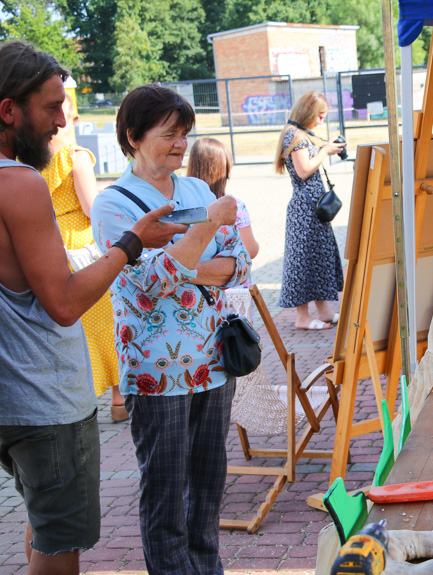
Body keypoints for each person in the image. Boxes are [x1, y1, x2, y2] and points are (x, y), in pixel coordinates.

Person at [0, 41, 183, 575]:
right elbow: (63, 302)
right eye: (51, 106)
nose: (62, 120)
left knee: (41, 519)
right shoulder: (20, 182)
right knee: (59, 552)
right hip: (46, 401)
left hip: (12, 400)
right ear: (8, 110)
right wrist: (130, 244)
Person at [90, 84, 252, 574]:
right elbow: (146, 282)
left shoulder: (196, 190)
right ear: (133, 136)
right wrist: (205, 234)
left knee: (206, 491)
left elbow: (242, 264)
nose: (182, 143)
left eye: (186, 133)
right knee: (164, 496)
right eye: (170, 133)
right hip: (156, 371)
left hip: (213, 363)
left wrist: (181, 264)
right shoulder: (113, 205)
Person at [40, 82, 128, 421]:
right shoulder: (75, 157)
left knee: (71, 329)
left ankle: (79, 398)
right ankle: (118, 399)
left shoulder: (31, 160)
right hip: (81, 246)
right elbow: (91, 207)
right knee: (106, 323)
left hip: (50, 244)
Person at [274, 91, 345, 330]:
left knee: (319, 257)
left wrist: (323, 147)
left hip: (312, 209)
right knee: (303, 261)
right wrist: (324, 151)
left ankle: (323, 310)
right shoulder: (295, 136)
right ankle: (302, 317)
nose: (321, 121)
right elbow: (304, 170)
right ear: (309, 112)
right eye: (320, 116)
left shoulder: (299, 134)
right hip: (305, 209)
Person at [188, 137, 259, 271]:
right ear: (224, 169)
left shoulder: (182, 204)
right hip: (230, 287)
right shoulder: (234, 205)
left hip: (191, 285)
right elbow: (250, 249)